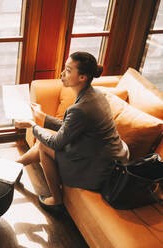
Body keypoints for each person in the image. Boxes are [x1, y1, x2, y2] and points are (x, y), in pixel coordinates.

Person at [15, 51, 129, 210]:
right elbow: (71, 126)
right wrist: (43, 118)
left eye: (68, 70)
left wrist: (32, 125)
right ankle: (16, 166)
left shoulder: (81, 108)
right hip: (106, 156)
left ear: (82, 77)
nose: (62, 74)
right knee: (49, 137)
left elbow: (55, 143)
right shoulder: (95, 94)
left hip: (98, 169)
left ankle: (56, 200)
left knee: (44, 144)